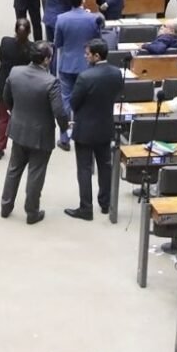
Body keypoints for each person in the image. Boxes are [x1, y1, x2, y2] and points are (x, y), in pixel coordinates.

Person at [0, 41, 67, 225]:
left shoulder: (15, 72)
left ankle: (6, 206)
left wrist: (16, 113)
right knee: (36, 173)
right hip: (41, 135)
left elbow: (6, 97)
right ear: (46, 60)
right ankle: (32, 212)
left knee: (14, 169)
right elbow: (59, 111)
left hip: (18, 129)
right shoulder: (51, 82)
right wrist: (64, 127)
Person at [65, 38, 124, 220]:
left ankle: (86, 208)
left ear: (96, 56)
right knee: (105, 167)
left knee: (84, 169)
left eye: (88, 54)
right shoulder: (116, 73)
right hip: (105, 126)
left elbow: (74, 102)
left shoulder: (85, 77)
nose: (85, 56)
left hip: (85, 129)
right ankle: (105, 204)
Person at [53, 0, 103, 146]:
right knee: (86, 101)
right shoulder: (93, 18)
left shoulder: (61, 19)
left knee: (66, 100)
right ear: (83, 0)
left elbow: (58, 43)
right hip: (87, 65)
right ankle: (85, 135)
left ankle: (64, 138)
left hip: (67, 64)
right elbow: (99, 41)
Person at [0, 18, 34, 161]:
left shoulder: (5, 42)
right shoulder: (32, 48)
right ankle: (22, 147)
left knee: (3, 119)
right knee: (24, 119)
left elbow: (0, 57)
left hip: (4, 85)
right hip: (22, 88)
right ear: (29, 32)